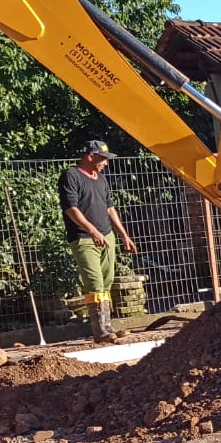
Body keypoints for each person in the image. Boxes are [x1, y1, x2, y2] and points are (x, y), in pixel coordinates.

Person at [59, 139, 136, 343]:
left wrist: (123, 236)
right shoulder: (71, 176)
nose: (106, 163)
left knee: (107, 280)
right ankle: (99, 330)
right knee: (94, 281)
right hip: (84, 238)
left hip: (107, 236)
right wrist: (92, 231)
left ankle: (107, 326)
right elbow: (71, 209)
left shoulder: (101, 179)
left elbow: (110, 209)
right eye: (103, 158)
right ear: (90, 156)